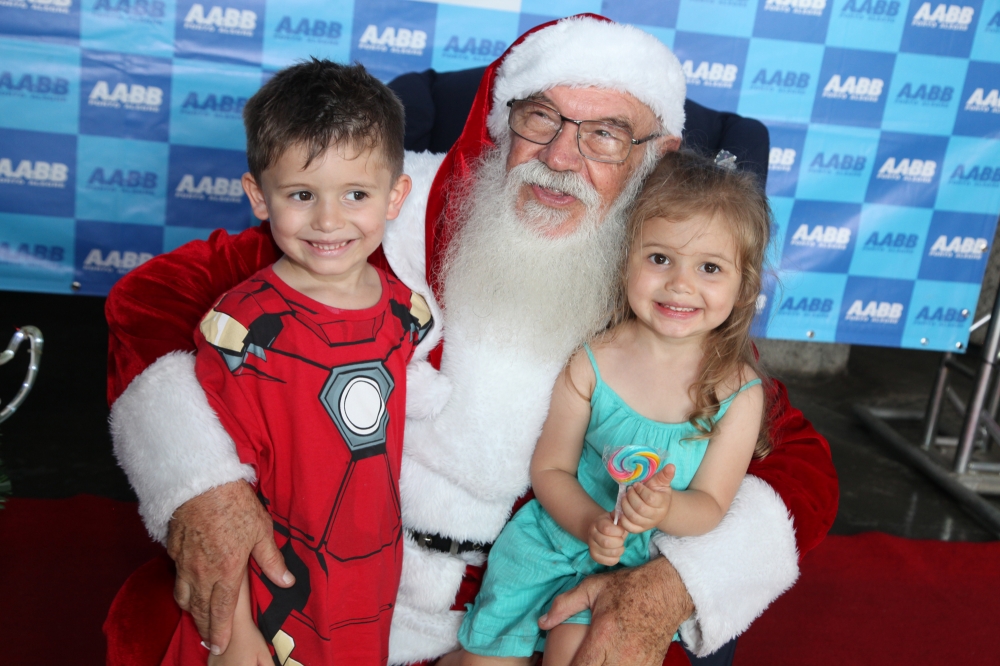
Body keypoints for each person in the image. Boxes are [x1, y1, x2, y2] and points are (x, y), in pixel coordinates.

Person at [106, 14, 838, 666]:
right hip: (331, 575)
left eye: (604, 135)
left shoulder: (663, 279)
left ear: (655, 153)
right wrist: (204, 486)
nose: (560, 157)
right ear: (500, 121)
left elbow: (795, 458)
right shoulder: (385, 216)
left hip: (529, 605)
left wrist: (670, 586)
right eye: (540, 118)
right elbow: (154, 301)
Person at [157, 59, 431, 666]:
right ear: (260, 196)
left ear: (395, 197)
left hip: (370, 580)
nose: (329, 221)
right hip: (274, 585)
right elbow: (215, 492)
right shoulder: (242, 330)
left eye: (356, 194)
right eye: (302, 195)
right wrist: (232, 632)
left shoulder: (406, 312)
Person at [455, 150, 770, 666]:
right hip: (553, 543)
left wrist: (665, 510)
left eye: (710, 267)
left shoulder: (737, 394)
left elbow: (711, 504)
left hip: (631, 566)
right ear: (625, 257)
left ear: (743, 287)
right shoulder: (591, 361)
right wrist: (590, 523)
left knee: (576, 653)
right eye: (659, 258)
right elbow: (551, 468)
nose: (680, 284)